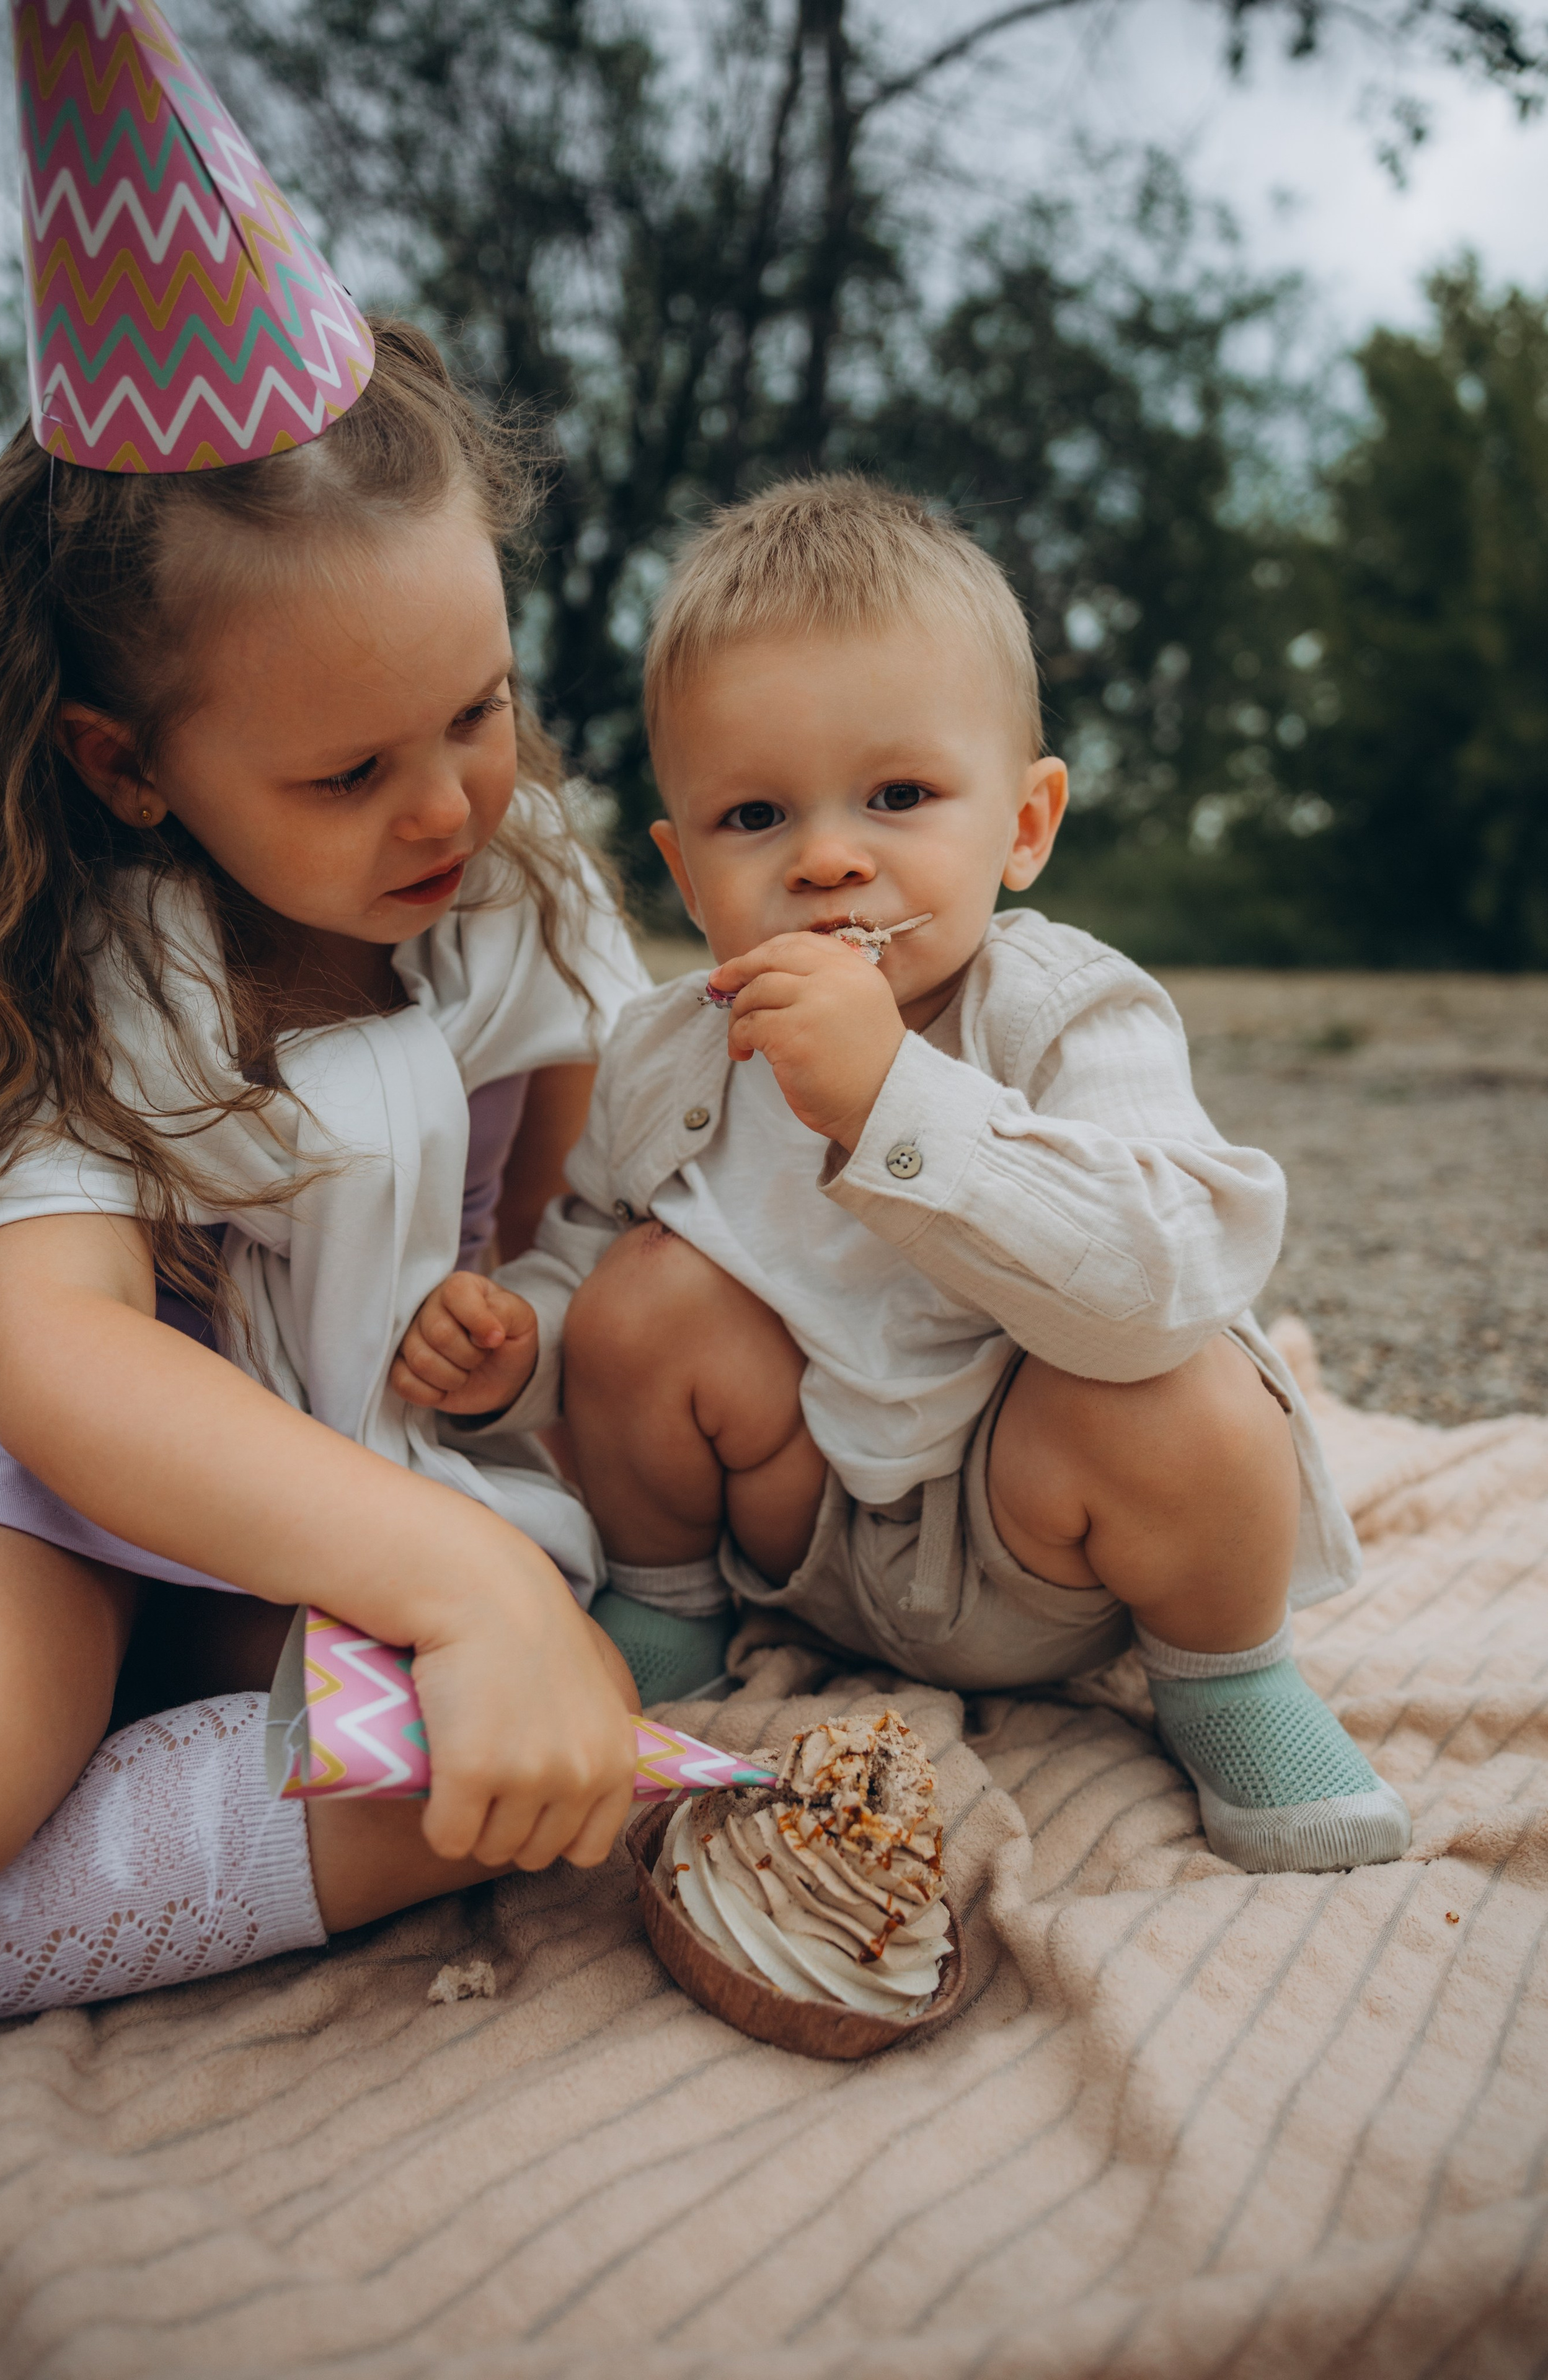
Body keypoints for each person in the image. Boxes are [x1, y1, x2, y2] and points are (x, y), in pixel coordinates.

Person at [412, 475, 1411, 1878]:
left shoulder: (1069, 1012)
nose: (827, 858)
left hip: (1033, 1545)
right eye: (753, 816)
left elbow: (1165, 1275)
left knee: (1192, 1394)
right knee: (645, 1294)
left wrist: (893, 1101)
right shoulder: (667, 1051)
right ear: (685, 874)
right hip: (798, 1533)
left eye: (896, 796)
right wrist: (521, 1351)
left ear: (1021, 824)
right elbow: (587, 1247)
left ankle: (1225, 1678)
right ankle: (660, 1609)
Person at [0, 319, 653, 2023]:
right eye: (349, 774)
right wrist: (465, 1578)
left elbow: (579, 1223)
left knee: (512, 1772)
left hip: (368, 1489)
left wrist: (520, 1355)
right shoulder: (94, 966)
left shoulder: (520, 899)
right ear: (125, 760)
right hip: (74, 1511)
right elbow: (67, 1369)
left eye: (478, 712)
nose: (445, 810)